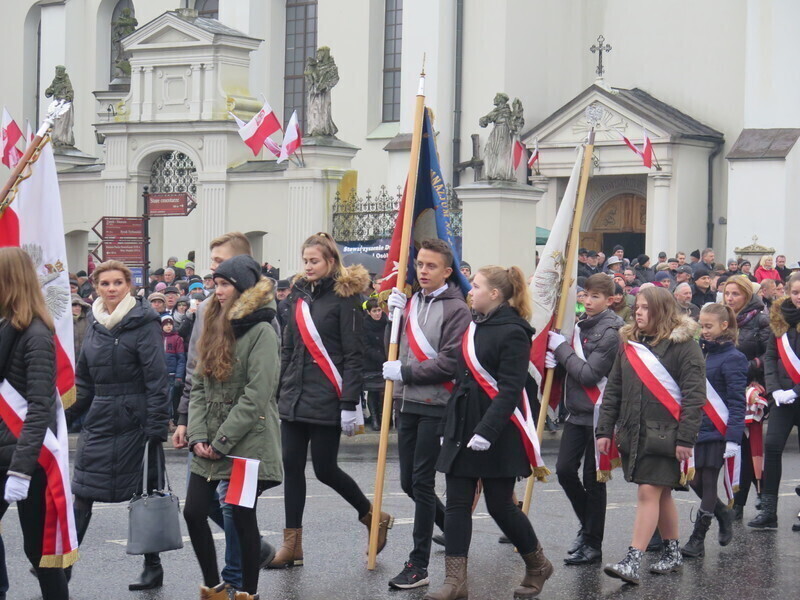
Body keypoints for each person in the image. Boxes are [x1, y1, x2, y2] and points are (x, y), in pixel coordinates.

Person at [427, 266, 553, 600]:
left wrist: (487, 430)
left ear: (495, 293)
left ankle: (538, 564)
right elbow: (461, 382)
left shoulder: (514, 331)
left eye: (477, 286)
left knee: (500, 505)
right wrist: (447, 427)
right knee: (456, 503)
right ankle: (455, 581)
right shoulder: (475, 325)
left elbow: (511, 389)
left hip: (497, 430)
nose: (471, 291)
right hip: (463, 425)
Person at [270, 232, 392, 568]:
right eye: (305, 260)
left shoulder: (346, 298)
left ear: (330, 262)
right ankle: (292, 544)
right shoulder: (296, 296)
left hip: (328, 395)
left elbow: (353, 354)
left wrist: (350, 402)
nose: (308, 267)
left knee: (325, 469)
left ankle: (371, 516)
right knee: (291, 468)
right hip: (295, 395)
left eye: (315, 261)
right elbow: (289, 347)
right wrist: (280, 389)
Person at [174, 232, 275, 591]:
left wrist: (222, 440)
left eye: (224, 284)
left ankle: (247, 591)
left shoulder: (263, 329)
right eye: (214, 283)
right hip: (210, 437)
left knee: (242, 518)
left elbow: (257, 394)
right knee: (193, 511)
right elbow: (199, 383)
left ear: (243, 287)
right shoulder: (213, 321)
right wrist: (198, 434)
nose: (216, 290)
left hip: (246, 442)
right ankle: (213, 586)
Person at [65, 260, 169, 591]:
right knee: (81, 493)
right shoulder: (94, 323)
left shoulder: (145, 322)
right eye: (105, 283)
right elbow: (83, 381)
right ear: (95, 288)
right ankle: (62, 565)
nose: (111, 288)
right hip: (99, 418)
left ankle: (152, 567)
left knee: (144, 495)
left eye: (118, 283)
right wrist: (62, 418)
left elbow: (157, 379)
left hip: (137, 419)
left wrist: (156, 427)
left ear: (129, 286)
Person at [597, 286, 705, 585]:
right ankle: (672, 551)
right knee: (662, 492)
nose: (638, 311)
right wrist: (605, 429)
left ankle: (633, 559)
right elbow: (614, 390)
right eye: (637, 307)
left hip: (666, 436)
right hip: (634, 432)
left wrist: (686, 438)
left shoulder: (685, 346)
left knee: (648, 491)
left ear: (661, 310)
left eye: (645, 307)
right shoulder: (629, 344)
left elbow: (695, 396)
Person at [382, 239, 471, 590]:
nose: (422, 271)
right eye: (419, 264)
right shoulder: (412, 300)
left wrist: (404, 373)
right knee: (408, 482)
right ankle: (453, 533)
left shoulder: (457, 310)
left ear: (447, 271)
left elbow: (449, 362)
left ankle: (418, 564)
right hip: (407, 402)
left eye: (431, 266)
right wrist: (392, 319)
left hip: (437, 404)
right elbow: (395, 352)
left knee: (421, 482)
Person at [0, 247, 71, 600]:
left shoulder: (37, 335)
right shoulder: (4, 328)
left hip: (28, 459)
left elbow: (40, 406)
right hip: (3, 450)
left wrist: (21, 470)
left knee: (41, 553)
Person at [546, 274, 624, 565]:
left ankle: (593, 544)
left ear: (609, 300)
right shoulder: (578, 325)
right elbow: (573, 368)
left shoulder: (611, 332)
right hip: (577, 412)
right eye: (586, 295)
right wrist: (555, 360)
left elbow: (591, 375)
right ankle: (587, 525)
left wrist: (561, 350)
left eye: (595, 297)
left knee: (594, 480)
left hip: (599, 413)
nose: (588, 301)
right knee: (565, 471)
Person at [681, 304, 746, 557]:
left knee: (708, 482)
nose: (704, 331)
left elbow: (736, 402)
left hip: (718, 431)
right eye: (701, 325)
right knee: (694, 480)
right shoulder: (698, 351)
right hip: (695, 427)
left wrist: (733, 439)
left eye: (709, 326)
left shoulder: (734, 358)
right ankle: (722, 513)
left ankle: (697, 539)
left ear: (724, 326)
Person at [748, 272, 800, 529]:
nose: (799, 297)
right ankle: (769, 512)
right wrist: (775, 390)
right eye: (796, 292)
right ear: (788, 292)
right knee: (773, 447)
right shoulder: (779, 320)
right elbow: (770, 358)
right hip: (782, 397)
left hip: (797, 393)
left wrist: (796, 391)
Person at [722, 275, 770, 519]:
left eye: (735, 294)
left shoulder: (761, 319)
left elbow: (769, 355)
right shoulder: (723, 319)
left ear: (747, 296)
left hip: (752, 390)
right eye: (727, 293)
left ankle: (743, 502)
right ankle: (743, 497)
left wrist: (747, 368)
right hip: (727, 388)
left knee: (749, 446)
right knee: (735, 446)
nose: (730, 298)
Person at [362, 298, 388, 432]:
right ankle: (375, 418)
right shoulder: (365, 325)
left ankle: (385, 417)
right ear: (369, 312)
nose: (377, 313)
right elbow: (365, 346)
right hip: (372, 363)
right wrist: (380, 357)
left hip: (386, 361)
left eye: (379, 310)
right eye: (374, 311)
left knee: (386, 390)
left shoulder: (387, 323)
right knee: (373, 391)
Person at [160, 314, 186, 427]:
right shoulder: (157, 338)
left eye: (170, 324)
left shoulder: (177, 339)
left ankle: (170, 420)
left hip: (171, 375)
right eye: (166, 324)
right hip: (160, 375)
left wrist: (179, 376)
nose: (168, 326)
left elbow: (181, 360)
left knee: (169, 399)